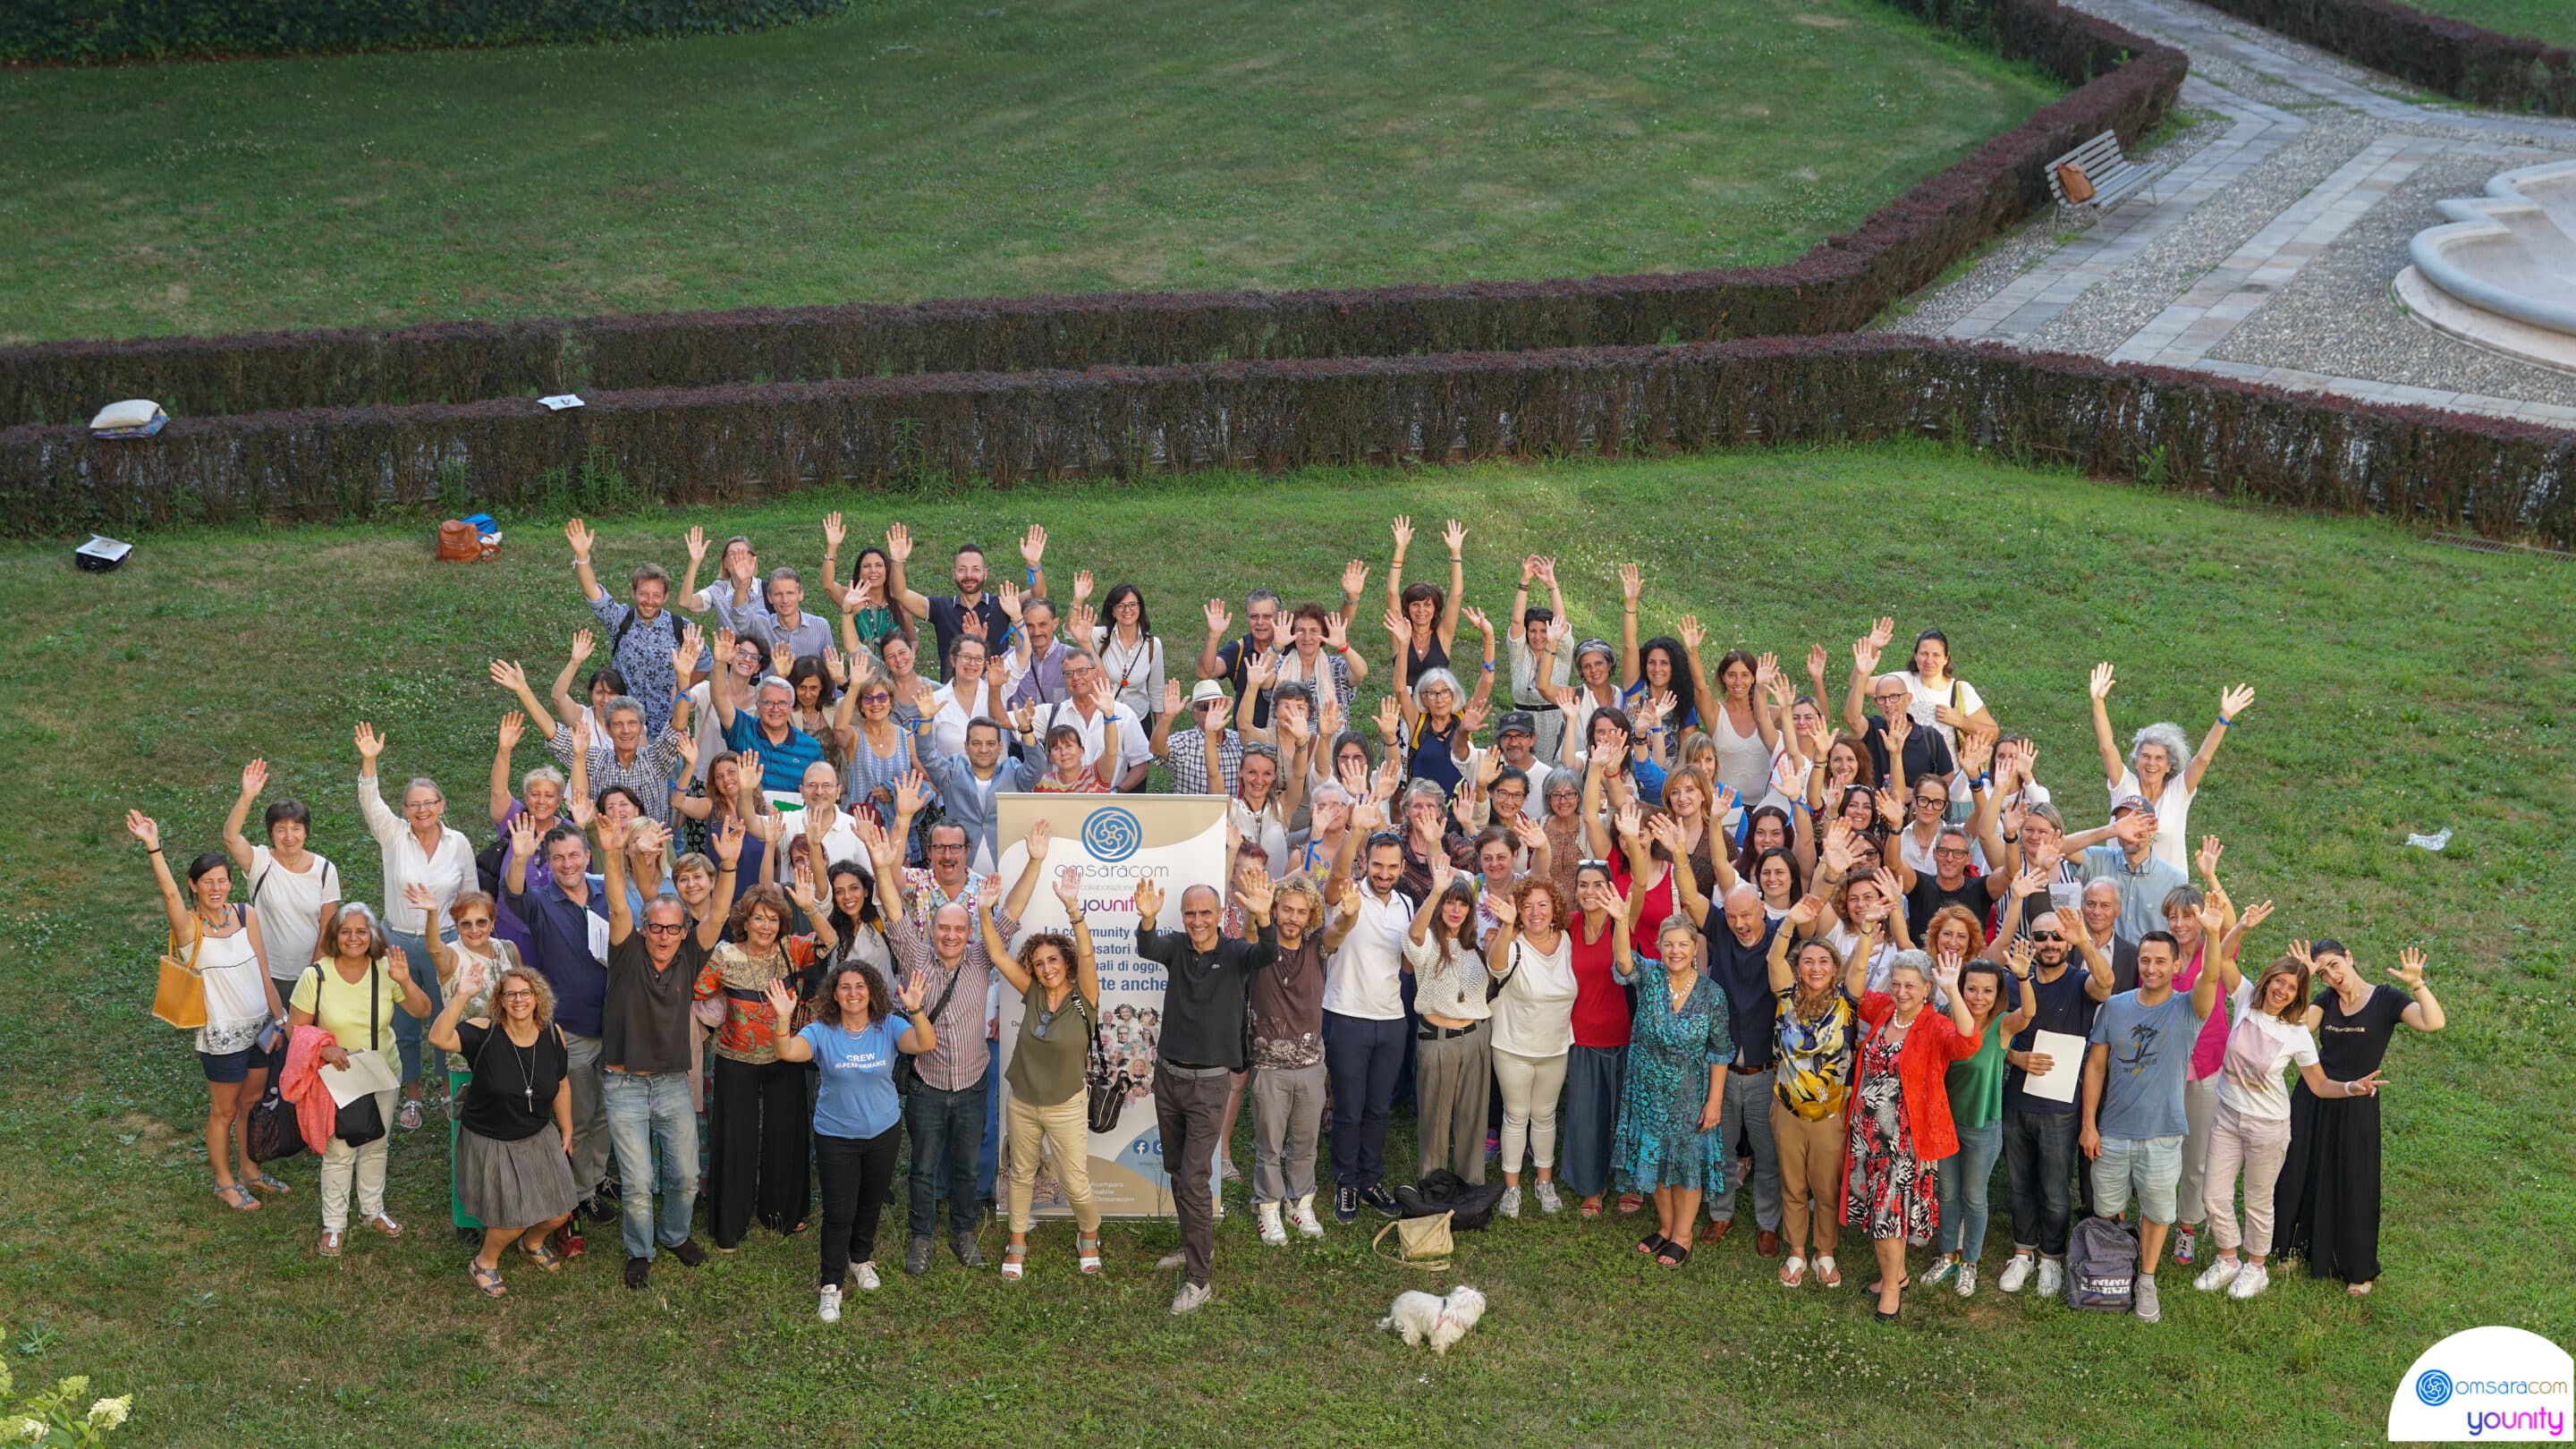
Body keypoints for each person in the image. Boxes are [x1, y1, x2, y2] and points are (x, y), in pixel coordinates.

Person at [868, 815, 1042, 1275]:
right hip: (926, 1084)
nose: (950, 936)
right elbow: (894, 910)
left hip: (970, 1084)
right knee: (923, 1167)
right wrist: (882, 867)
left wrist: (1035, 862)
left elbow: (1012, 912)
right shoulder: (915, 955)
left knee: (966, 1167)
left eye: (958, 930)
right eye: (943, 929)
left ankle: (964, 1233)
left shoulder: (982, 958)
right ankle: (921, 1238)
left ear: (969, 934)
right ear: (932, 930)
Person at [2191, 930, 2376, 1301]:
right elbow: (2222, 959)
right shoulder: (2246, 999)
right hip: (2227, 1117)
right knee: (2213, 1194)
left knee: (2257, 1199)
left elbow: (2319, 1084)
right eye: (2280, 981)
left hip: (2268, 1127)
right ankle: (2227, 1259)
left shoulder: (2296, 1034)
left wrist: (2350, 1087)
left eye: (2292, 988)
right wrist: (2240, 927)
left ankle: (2256, 1268)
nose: (2283, 991)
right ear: (2269, 979)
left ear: (2298, 996)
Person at [597, 813, 736, 1289]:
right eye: (656, 927)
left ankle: (675, 1234)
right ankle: (641, 1250)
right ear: (644, 928)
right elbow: (617, 903)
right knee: (638, 1183)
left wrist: (729, 865)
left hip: (674, 1082)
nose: (663, 936)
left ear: (682, 932)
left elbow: (717, 915)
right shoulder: (626, 951)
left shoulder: (690, 956)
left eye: (673, 929)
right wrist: (612, 852)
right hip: (624, 1084)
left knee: (686, 1177)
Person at [1133, 870, 1277, 1314]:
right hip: (1169, 1078)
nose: (1197, 921)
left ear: (1219, 915)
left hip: (1210, 1085)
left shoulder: (1236, 953)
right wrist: (1147, 919)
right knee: (1178, 1171)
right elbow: (1147, 946)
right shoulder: (1176, 947)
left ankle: (1199, 1279)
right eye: (1190, 914)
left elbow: (1268, 953)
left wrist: (1264, 917)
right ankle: (1194, 1241)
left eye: (1205, 913)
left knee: (1195, 1179)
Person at [764, 958, 935, 1321]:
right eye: (845, 987)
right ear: (835, 994)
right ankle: (831, 1285)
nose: (853, 993)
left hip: (883, 1131)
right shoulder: (821, 1031)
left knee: (870, 1203)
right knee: (839, 1212)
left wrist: (916, 1010)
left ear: (871, 992)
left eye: (860, 986)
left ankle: (860, 1259)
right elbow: (786, 1052)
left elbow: (924, 1042)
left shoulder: (889, 1025)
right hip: (836, 1135)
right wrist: (782, 1019)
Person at [129, 812, 284, 1211]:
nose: (216, 888)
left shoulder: (246, 915)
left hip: (260, 1030)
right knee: (224, 1111)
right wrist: (154, 846)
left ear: (231, 883)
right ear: (193, 885)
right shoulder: (189, 928)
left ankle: (249, 1170)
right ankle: (224, 1183)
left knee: (251, 1103)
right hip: (222, 1036)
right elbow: (169, 895)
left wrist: (281, 1020)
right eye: (207, 882)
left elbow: (264, 970)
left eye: (222, 880)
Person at [2275, 938, 2445, 1295]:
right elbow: (2297, 1025)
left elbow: (2433, 1022)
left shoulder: (2386, 999)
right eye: (2323, 972)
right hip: (2316, 1093)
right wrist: (2304, 978)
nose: (2332, 975)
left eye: (2334, 965)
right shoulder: (2325, 1000)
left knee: (2355, 1181)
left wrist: (2417, 983)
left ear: (2349, 957)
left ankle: (2358, 1268)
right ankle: (2292, 1248)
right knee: (2299, 1171)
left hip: (2358, 1100)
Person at [2080, 926, 2226, 1323]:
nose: (2151, 967)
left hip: (2163, 1134)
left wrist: (2213, 934)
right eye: (2145, 960)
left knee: (2158, 1213)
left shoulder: (2188, 1008)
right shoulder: (2115, 1007)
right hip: (2113, 1131)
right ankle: (2114, 1266)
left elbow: (2211, 975)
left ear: (2176, 966)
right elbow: (2095, 1066)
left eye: (2161, 961)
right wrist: (2089, 1124)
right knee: (2107, 1207)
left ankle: (2146, 1279)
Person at [698, 860, 837, 1250]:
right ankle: (730, 1224)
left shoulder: (790, 949)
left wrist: (810, 908)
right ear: (745, 921)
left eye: (773, 920)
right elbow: (697, 991)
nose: (765, 926)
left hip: (784, 1055)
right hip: (734, 1059)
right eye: (758, 918)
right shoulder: (724, 956)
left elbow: (828, 942)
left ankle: (783, 1214)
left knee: (785, 1134)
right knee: (735, 1139)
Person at [424, 958, 580, 1297]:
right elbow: (438, 1037)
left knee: (560, 1212)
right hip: (490, 1137)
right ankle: (484, 1262)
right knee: (513, 1218)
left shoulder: (553, 1035)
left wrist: (567, 1129)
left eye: (526, 993)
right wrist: (463, 994)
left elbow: (561, 1084)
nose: (518, 1000)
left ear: (538, 997)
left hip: (537, 1133)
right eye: (510, 994)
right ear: (500, 1000)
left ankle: (531, 1243)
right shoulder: (484, 1031)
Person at [497, 809, 615, 1243]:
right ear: (548, 862)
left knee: (606, 1112)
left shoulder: (607, 893)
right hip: (571, 1029)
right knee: (579, 1115)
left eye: (574, 855)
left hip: (615, 1026)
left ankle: (596, 1177)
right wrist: (519, 858)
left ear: (587, 856)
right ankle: (580, 1193)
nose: (568, 864)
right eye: (558, 857)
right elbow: (512, 893)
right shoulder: (540, 901)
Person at [290, 903, 434, 1256]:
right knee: (340, 1149)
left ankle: (373, 1210)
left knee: (376, 1142)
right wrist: (325, 1050)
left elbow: (423, 1010)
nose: (353, 938)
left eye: (361, 931)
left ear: (372, 936)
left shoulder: (385, 970)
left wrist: (405, 981)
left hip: (382, 1071)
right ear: (335, 936)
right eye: (346, 931)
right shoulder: (316, 975)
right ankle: (334, 1224)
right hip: (338, 1077)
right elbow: (295, 1028)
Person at [984, 856, 1103, 1280]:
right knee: (1021, 1173)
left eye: (1053, 960)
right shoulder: (1033, 992)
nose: (1047, 969)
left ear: (1065, 963)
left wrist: (1073, 908)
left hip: (1066, 1103)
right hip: (1023, 1101)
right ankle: (1017, 1242)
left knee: (1074, 1181)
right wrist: (984, 910)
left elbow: (1087, 952)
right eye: (1039, 963)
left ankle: (1089, 1232)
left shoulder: (1084, 996)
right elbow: (996, 954)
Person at [1845, 949, 1979, 1321]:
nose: (1902, 992)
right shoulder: (1885, 1011)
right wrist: (1867, 935)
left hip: (1903, 1141)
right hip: (1868, 1136)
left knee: (1887, 1214)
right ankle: (1898, 1274)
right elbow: (1854, 992)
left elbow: (1968, 1043)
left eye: (1910, 986)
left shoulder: (1933, 1024)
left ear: (1926, 989)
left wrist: (1952, 990)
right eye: (1897, 984)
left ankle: (1891, 1287)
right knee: (1883, 1210)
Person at [354, 721, 476, 1133]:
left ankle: (446, 1090)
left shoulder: (458, 843)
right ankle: (412, 1095)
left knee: (446, 1017)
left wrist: (467, 942)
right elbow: (371, 803)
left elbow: (469, 895)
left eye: (429, 803)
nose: (421, 810)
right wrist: (369, 763)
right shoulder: (393, 835)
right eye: (412, 805)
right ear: (404, 810)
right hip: (399, 944)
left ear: (442, 805)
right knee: (405, 1024)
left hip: (445, 944)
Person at [1995, 905, 2121, 1299]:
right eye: (2041, 936)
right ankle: (2022, 1253)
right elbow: (1993, 1034)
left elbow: (2107, 984)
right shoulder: (2013, 981)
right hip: (2016, 1099)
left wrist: (2083, 938)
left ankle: (2051, 1257)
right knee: (2019, 1183)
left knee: (2053, 1188)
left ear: (2068, 944)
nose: (2049, 943)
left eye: (2057, 937)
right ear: (2030, 942)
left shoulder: (2081, 983)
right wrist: (2015, 1057)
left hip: (2061, 1106)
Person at [1609, 915, 1735, 1269]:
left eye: (1683, 944)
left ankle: (1683, 1236)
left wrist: (1714, 1101)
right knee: (1657, 1162)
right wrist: (1621, 920)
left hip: (1689, 1096)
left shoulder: (1712, 994)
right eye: (1669, 944)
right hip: (1647, 1093)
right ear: (1659, 947)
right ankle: (1665, 1227)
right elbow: (1623, 962)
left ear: (1695, 948)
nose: (1675, 950)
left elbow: (1720, 1051)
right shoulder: (1650, 977)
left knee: (1685, 1166)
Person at [402, 884, 524, 1236]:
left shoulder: (508, 949)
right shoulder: (452, 956)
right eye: (465, 924)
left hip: (510, 1058)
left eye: (481, 922)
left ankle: (507, 1205)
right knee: (468, 1143)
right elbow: (434, 948)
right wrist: (431, 914)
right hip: (466, 1063)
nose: (474, 930)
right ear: (456, 926)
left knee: (507, 1137)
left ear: (493, 922)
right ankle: (467, 1218)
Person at [1765, 899, 1868, 1289]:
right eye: (1808, 961)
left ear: (1835, 968)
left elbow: (1861, 965)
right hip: (1788, 1110)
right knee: (1793, 1185)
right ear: (1798, 968)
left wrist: (1868, 929)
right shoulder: (1787, 998)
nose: (1816, 968)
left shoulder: (1847, 1003)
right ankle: (1796, 1250)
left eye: (1824, 961)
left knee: (1826, 1188)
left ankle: (1825, 1251)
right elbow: (1773, 958)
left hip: (1831, 1115)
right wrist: (1790, 922)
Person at [1319, 808, 1415, 1224]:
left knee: (1377, 1108)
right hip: (1346, 1015)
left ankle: (1371, 1179)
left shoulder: (1406, 904)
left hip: (1391, 1020)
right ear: (1365, 862)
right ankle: (1346, 1183)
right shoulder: (1347, 892)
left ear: (1402, 868)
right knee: (1349, 1107)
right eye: (1377, 865)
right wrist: (1356, 829)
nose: (1384, 873)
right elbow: (1336, 876)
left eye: (1392, 867)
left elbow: (1407, 964)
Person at [1924, 953, 2036, 1297]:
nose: (1979, 997)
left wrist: (2023, 978)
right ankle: (1947, 1256)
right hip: (1945, 1124)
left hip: (1982, 1126)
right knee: (1947, 1194)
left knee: (1973, 1198)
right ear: (1961, 989)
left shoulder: (2002, 1024)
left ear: (1997, 994)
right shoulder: (1945, 1018)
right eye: (1971, 989)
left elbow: (2027, 1014)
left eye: (1988, 990)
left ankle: (1969, 1262)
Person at [1688, 878, 1784, 1252]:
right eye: (1732, 916)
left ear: (1762, 909)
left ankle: (1768, 1223)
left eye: (1746, 914)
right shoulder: (1721, 932)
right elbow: (1691, 897)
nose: (1740, 923)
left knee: (1768, 1154)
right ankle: (1720, 1213)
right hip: (1723, 1073)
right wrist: (1679, 854)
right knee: (1721, 1148)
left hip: (1764, 1071)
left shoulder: (1780, 937)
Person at [2087, 662, 2256, 869]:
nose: (2151, 763)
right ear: (2137, 761)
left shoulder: (2179, 791)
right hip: (2119, 882)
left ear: (2169, 766)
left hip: (2169, 887)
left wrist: (2224, 718)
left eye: (2159, 758)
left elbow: (2203, 759)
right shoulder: (2124, 785)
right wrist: (2097, 701)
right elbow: (2106, 748)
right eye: (2145, 756)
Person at [1250, 874, 1334, 1245]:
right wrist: (1257, 911)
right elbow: (1252, 931)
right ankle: (1268, 1207)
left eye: (1301, 912)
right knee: (1269, 1144)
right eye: (1286, 909)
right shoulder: (1260, 947)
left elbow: (1341, 929)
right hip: (1269, 1066)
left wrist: (1349, 913)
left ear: (1311, 915)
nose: (1293, 918)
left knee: (1305, 1141)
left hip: (1311, 1065)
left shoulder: (1318, 948)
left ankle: (1300, 1204)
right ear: (1274, 910)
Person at [221, 759, 341, 1020]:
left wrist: (313, 974)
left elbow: (327, 929)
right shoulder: (260, 861)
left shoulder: (324, 870)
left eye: (296, 829)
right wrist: (247, 797)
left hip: (310, 973)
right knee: (270, 1038)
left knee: (306, 1039)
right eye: (281, 830)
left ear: (306, 832)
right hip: (266, 974)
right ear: (271, 834)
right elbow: (230, 837)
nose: (289, 837)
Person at [1404, 859, 1491, 1188]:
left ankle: (1471, 1186)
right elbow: (1414, 935)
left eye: (1463, 904)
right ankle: (1433, 1186)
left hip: (1476, 1038)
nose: (1456, 910)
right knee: (1435, 1120)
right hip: (1437, 1039)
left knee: (1473, 1117)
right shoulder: (1427, 941)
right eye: (1450, 902)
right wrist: (1436, 891)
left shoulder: (1476, 945)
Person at [564, 518, 691, 733]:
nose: (649, 601)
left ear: (665, 597)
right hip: (623, 730)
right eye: (643, 594)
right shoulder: (620, 619)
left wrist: (680, 686)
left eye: (656, 595)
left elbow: (705, 663)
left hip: (667, 730)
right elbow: (593, 593)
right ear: (633, 593)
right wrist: (582, 556)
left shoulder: (681, 627)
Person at [1559, 862, 1632, 1218]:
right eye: (1583, 884)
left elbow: (1628, 969)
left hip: (1624, 1036)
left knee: (1626, 1115)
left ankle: (1629, 1182)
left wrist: (1622, 918)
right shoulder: (1569, 925)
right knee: (1587, 1116)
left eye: (1598, 884)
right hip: (1583, 1037)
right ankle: (1591, 1186)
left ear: (1611, 888)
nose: (1590, 891)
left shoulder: (1622, 922)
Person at [1382, 610, 1494, 798]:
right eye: (1432, 693)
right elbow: (1400, 689)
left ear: (1454, 694)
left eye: (1445, 692)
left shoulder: (1464, 718)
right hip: (1421, 806)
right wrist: (1404, 645)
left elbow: (1487, 680)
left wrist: (1488, 635)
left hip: (1459, 808)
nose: (1439, 699)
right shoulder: (1418, 721)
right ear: (1424, 698)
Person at [887, 524, 1021, 682]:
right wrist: (897, 561)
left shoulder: (1002, 605)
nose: (969, 575)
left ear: (985, 574)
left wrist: (1034, 565)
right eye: (962, 569)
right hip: (952, 693)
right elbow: (899, 593)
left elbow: (1037, 595)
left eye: (976, 569)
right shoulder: (942, 608)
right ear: (954, 574)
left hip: (995, 690)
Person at [918, 716, 1041, 879]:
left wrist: (1026, 731)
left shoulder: (1012, 771)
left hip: (1007, 875)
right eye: (976, 743)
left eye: (990, 743)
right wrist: (926, 719)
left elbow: (1036, 768)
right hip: (957, 877)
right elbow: (926, 754)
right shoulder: (953, 771)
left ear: (1000, 746)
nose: (983, 749)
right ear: (966, 746)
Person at [709, 628, 826, 788]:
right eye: (768, 702)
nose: (775, 709)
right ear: (757, 705)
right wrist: (720, 663)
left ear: (791, 706)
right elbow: (720, 699)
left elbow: (819, 789)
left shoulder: (810, 747)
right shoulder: (742, 728)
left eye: (782, 703)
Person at [1506, 555, 1572, 761]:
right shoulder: (1519, 652)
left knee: (1551, 772)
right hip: (1521, 721)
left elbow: (1561, 621)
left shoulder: (1560, 650)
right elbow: (1516, 621)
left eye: (1544, 631)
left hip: (1553, 720)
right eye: (1532, 631)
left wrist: (1552, 584)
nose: (1537, 637)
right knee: (1517, 770)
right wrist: (1524, 581)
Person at [1384, 515, 1465, 682]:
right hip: (1404, 699)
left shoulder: (1442, 635)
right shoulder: (1400, 633)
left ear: (1435, 609)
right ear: (1407, 608)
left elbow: (1457, 594)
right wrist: (1400, 548)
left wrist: (1455, 553)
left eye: (1427, 605)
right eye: (1415, 604)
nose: (1421, 610)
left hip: (1438, 699)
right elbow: (1392, 592)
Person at [1091, 581, 1166, 723]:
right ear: (1113, 611)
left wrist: (1160, 728)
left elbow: (1156, 689)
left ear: (1140, 608)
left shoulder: (1153, 645)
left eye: (1132, 604)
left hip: (1138, 720)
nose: (1127, 610)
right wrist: (1077, 599)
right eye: (1121, 606)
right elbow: (1070, 632)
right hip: (1105, 719)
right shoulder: (1100, 637)